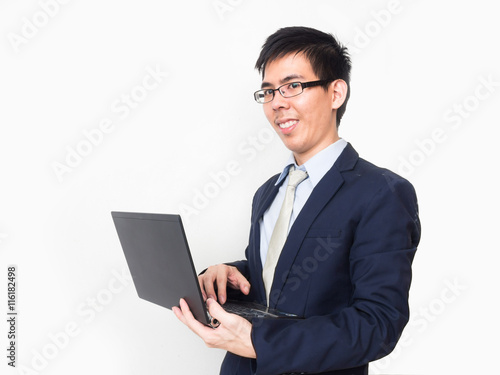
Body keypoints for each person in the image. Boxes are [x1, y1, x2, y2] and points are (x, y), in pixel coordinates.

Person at [173, 26, 421, 375]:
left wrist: (262, 343)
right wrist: (232, 276)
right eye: (268, 91)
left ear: (335, 92)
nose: (278, 102)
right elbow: (280, 279)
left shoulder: (381, 193)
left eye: (293, 86)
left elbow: (378, 324)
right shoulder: (268, 192)